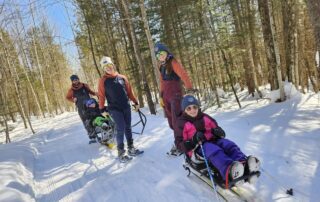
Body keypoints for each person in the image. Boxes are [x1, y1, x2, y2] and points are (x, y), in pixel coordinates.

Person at [175, 95, 261, 185]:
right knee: (213, 149)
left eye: (194, 107)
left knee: (228, 144)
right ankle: (228, 171)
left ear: (198, 107)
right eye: (188, 108)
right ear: (184, 110)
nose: (192, 110)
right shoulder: (181, 123)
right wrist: (193, 140)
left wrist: (219, 132)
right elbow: (179, 145)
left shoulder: (205, 117)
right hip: (196, 149)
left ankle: (244, 165)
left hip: (213, 141)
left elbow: (217, 128)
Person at [98, 56, 142, 162]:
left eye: (109, 65)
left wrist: (135, 102)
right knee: (120, 128)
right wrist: (102, 109)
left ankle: (131, 148)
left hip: (126, 106)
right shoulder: (103, 81)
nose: (108, 68)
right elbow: (101, 96)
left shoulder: (122, 77)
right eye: (105, 67)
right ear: (103, 69)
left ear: (113, 65)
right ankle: (121, 153)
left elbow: (129, 92)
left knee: (128, 127)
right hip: (114, 109)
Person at [154, 42, 194, 155]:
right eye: (158, 55)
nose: (160, 56)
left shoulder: (173, 62)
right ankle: (181, 140)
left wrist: (189, 88)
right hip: (166, 96)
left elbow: (183, 74)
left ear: (166, 52)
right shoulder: (161, 65)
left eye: (162, 53)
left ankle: (181, 145)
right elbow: (162, 81)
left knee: (177, 120)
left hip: (175, 95)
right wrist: (161, 95)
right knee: (171, 121)